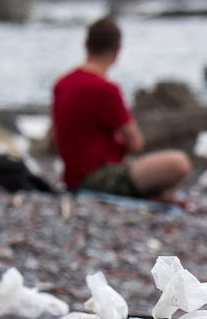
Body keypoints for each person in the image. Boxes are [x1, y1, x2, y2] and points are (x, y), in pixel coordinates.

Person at [50, 17, 190, 201]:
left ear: (85, 44)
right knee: (178, 163)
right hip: (97, 177)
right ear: (117, 51)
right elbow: (135, 142)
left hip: (71, 176)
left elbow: (54, 136)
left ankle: (153, 194)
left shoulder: (62, 83)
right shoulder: (105, 88)